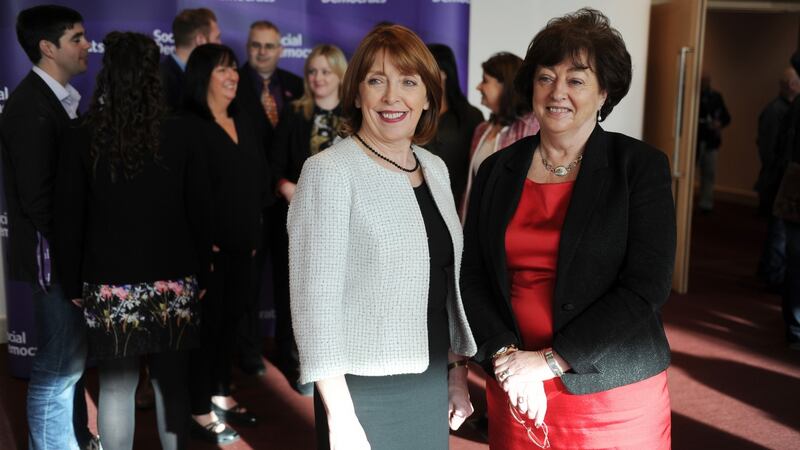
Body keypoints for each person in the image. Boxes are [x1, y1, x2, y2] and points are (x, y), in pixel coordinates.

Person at [461, 8, 675, 449]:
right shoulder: (498, 169)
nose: (558, 92)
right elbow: (474, 274)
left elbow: (645, 286)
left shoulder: (638, 167)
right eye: (545, 77)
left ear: (604, 93)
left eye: (576, 79)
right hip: (516, 383)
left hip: (609, 396)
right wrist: (506, 358)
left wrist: (549, 361)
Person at [288, 24, 477, 450]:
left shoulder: (435, 169)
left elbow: (445, 287)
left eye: (409, 82)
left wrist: (456, 373)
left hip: (430, 378)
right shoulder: (329, 173)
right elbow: (314, 309)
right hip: (362, 390)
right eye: (377, 81)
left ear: (428, 96)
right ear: (356, 94)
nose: (393, 97)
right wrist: (341, 417)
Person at [53, 32, 211, 450]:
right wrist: (203, 271)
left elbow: (68, 219)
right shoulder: (183, 133)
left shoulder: (80, 134)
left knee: (117, 386)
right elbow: (200, 213)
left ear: (108, 75)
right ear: (152, 76)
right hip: (174, 279)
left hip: (108, 281)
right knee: (171, 385)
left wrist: (72, 282)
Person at [0, 5, 97, 449]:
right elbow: (40, 201)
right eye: (76, 37)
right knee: (58, 368)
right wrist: (73, 256)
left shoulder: (57, 100)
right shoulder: (29, 108)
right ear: (47, 47)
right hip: (53, 258)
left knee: (70, 365)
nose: (86, 45)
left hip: (65, 257)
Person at [183, 43, 270, 445]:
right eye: (222, 70)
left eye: (234, 68)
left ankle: (220, 391)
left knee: (229, 327)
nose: (233, 75)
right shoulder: (188, 126)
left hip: (244, 248)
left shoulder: (244, 119)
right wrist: (206, 248)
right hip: (209, 255)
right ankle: (199, 408)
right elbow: (187, 198)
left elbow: (255, 182)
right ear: (204, 77)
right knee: (207, 331)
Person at [234, 20, 303, 378]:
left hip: (292, 202)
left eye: (269, 46)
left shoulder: (296, 87)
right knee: (248, 282)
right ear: (248, 48)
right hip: (249, 202)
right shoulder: (232, 84)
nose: (262, 52)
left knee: (290, 283)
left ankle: (288, 351)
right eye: (256, 45)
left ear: (281, 49)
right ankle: (248, 353)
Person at [462, 52, 539, 217]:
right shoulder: (481, 130)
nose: (478, 87)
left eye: (485, 80)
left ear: (505, 86)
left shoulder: (532, 128)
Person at [756, 66, 800, 288]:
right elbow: (768, 150)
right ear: (791, 85)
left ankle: (771, 271)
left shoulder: (790, 109)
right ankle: (772, 275)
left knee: (779, 232)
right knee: (778, 233)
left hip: (782, 179)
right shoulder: (775, 112)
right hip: (777, 180)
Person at [425, 43, 484, 209]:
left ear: (444, 73)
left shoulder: (470, 116)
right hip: (414, 201)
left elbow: (473, 168)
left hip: (455, 205)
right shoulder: (413, 112)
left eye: (426, 67)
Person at [160, 8, 221, 111]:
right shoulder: (161, 80)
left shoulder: (205, 76)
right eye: (217, 38)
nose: (220, 44)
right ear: (200, 40)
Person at [696, 73, 731, 213]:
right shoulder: (693, 97)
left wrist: (719, 124)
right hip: (695, 141)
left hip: (711, 142)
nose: (706, 83)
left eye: (707, 80)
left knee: (709, 173)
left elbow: (727, 117)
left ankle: (706, 203)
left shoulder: (716, 97)